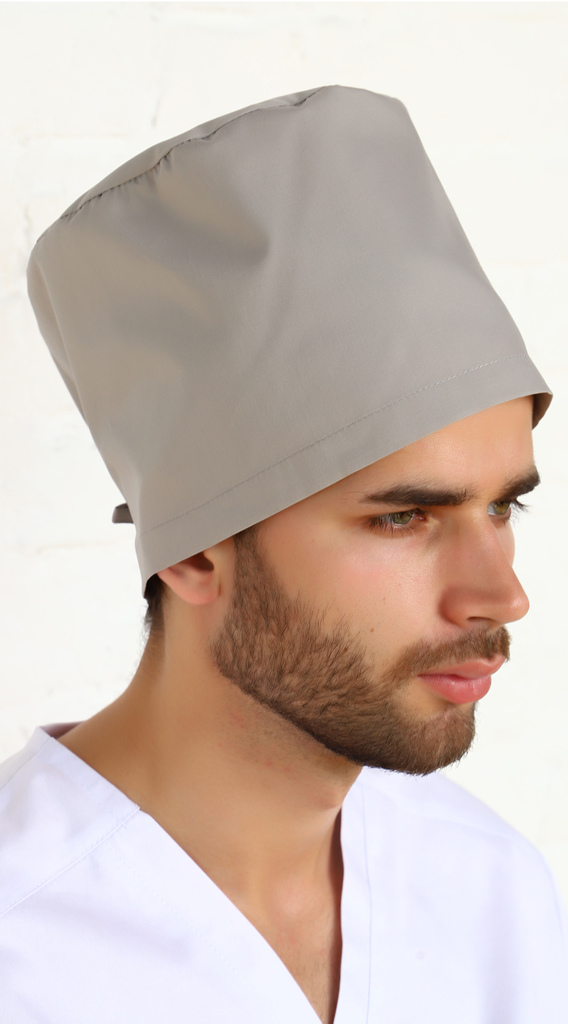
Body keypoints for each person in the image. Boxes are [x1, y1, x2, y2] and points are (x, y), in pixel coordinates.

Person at [1, 85, 566, 1023]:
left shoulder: (493, 893)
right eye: (406, 518)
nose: (501, 595)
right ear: (194, 550)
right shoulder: (22, 946)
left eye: (504, 506)